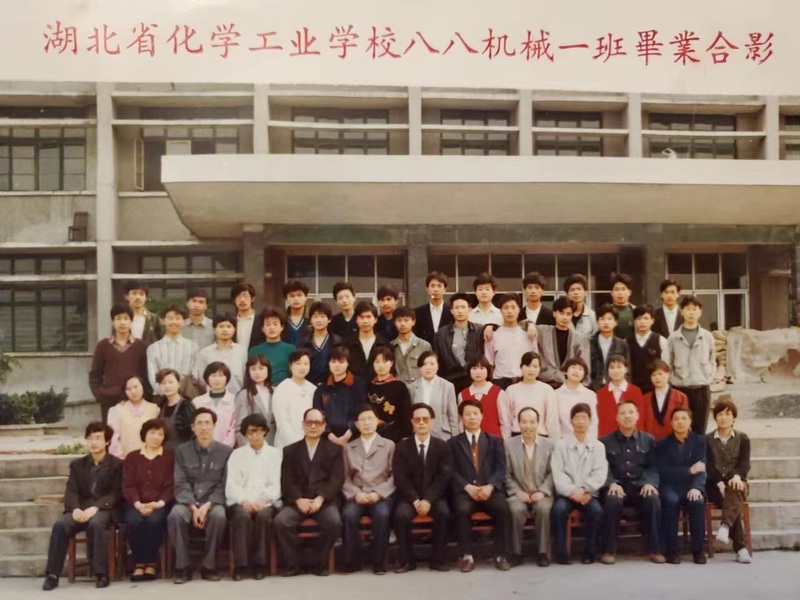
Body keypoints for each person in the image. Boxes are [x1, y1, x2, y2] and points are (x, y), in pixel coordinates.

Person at [41, 422, 122, 591]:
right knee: (60, 525)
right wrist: (75, 508)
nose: (94, 442)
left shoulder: (117, 465)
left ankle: (101, 573)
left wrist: (96, 507)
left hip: (104, 509)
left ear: (107, 441)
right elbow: (71, 490)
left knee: (96, 524)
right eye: (90, 438)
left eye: (98, 438)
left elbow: (116, 493)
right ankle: (52, 575)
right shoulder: (77, 465)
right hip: (81, 509)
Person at [274, 408, 344, 577]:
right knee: (281, 521)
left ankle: (318, 562)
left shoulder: (334, 449)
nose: (313, 426)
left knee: (334, 522)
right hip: (298, 501)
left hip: (323, 501)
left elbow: (337, 479)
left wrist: (321, 498)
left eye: (317, 423)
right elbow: (287, 480)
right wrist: (298, 499)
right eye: (309, 422)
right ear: (303, 425)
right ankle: (295, 563)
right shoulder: (290, 451)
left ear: (324, 426)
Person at [168, 408, 233, 583]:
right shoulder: (182, 451)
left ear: (214, 425)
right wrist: (193, 507)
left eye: (207, 423)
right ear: (193, 427)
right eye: (199, 423)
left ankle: (209, 566)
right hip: (187, 503)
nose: (204, 427)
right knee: (175, 515)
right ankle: (182, 567)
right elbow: (180, 482)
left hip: (212, 503)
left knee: (219, 516)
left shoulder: (226, 452)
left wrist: (207, 505)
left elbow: (224, 484)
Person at [449, 400, 512, 572]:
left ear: (482, 416)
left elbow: (501, 467)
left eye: (475, 413)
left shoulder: (494, 440)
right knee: (461, 510)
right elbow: (451, 470)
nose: (472, 417)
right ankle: (467, 556)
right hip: (465, 492)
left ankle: (501, 555)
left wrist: (490, 486)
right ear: (461, 418)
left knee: (503, 509)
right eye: (467, 414)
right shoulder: (453, 443)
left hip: (489, 490)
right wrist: (467, 487)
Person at [598, 401, 664, 565]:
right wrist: (611, 483)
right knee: (612, 499)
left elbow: (653, 466)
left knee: (653, 499)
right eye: (622, 413)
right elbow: (601, 467)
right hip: (617, 486)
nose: (627, 416)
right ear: (616, 417)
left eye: (631, 412)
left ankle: (655, 549)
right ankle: (609, 550)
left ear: (637, 416)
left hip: (639, 486)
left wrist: (649, 482)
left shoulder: (648, 440)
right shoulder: (605, 441)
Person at [392, 403, 453, 573]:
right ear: (412, 421)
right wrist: (415, 500)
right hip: (410, 497)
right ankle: (407, 560)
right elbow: (400, 478)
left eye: (425, 419)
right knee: (401, 515)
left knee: (443, 512)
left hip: (434, 497)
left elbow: (443, 477)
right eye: (417, 419)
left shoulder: (442, 446)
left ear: (432, 421)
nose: (421, 423)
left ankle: (438, 560)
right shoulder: (402, 447)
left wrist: (428, 499)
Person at [226, 413, 283, 580]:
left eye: (257, 431)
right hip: (241, 501)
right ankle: (241, 565)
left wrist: (263, 500)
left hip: (266, 502)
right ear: (245, 434)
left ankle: (260, 565)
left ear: (265, 431)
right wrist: (244, 501)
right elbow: (232, 484)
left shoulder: (276, 454)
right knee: (241, 517)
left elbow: (276, 483)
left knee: (264, 517)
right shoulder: (236, 455)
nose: (254, 435)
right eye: (249, 432)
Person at [551, 403, 608, 565]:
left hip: (588, 493)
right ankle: (561, 554)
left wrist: (584, 489)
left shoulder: (598, 446)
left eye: (584, 417)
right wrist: (572, 492)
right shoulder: (561, 445)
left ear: (590, 420)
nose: (581, 421)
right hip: (567, 493)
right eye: (577, 417)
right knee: (558, 510)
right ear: (571, 421)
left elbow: (600, 473)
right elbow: (558, 472)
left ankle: (589, 553)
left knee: (596, 511)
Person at [342, 405, 396, 574]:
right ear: (356, 424)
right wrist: (355, 494)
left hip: (380, 495)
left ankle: (379, 562)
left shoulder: (389, 445)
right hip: (357, 494)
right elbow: (344, 477)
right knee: (348, 515)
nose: (366, 423)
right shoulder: (349, 447)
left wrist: (378, 493)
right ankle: (352, 561)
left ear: (377, 421)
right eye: (362, 420)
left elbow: (394, 476)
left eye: (370, 418)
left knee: (382, 515)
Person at [122, 419, 175, 581]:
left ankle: (151, 563)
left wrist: (159, 503)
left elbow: (172, 485)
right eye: (152, 432)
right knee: (134, 521)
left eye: (160, 434)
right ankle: (139, 562)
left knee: (154, 521)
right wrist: (138, 504)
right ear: (144, 434)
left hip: (160, 504)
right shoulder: (132, 457)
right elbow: (128, 485)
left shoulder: (170, 457)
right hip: (135, 504)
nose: (156, 437)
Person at [504, 406, 555, 567]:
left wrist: (543, 491)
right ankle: (516, 553)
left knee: (543, 509)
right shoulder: (509, 444)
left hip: (541, 491)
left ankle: (543, 553)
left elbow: (553, 473)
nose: (528, 426)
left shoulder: (549, 444)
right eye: (524, 422)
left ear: (538, 424)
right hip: (519, 492)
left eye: (532, 422)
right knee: (515, 510)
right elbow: (506, 474)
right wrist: (517, 492)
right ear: (518, 424)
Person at [656, 407, 707, 565]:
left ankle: (698, 550)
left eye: (684, 418)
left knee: (697, 501)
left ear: (690, 421)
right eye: (676, 419)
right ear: (671, 423)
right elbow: (664, 471)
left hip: (692, 485)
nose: (680, 422)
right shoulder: (663, 444)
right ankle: (671, 550)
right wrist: (689, 470)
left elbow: (703, 468)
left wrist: (697, 487)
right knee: (670, 501)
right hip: (670, 486)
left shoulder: (700, 441)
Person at [706, 398, 752, 564]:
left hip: (737, 482)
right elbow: (708, 466)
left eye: (728, 414)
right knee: (731, 502)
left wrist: (737, 476)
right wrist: (719, 482)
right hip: (714, 485)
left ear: (734, 418)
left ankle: (725, 526)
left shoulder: (743, 438)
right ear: (715, 418)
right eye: (720, 414)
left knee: (734, 489)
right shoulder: (707, 439)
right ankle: (740, 548)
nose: (724, 417)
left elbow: (744, 463)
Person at [89, 304, 149, 423]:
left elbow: (145, 374)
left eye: (126, 318)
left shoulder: (142, 346)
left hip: (134, 398)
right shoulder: (103, 346)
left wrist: (143, 395)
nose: (122, 323)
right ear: (113, 322)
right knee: (111, 431)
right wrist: (99, 393)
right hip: (109, 399)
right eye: (118, 319)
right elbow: (95, 373)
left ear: (131, 321)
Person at [668, 295, 716, 434]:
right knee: (679, 428)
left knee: (699, 430)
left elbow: (713, 361)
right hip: (680, 389)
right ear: (682, 311)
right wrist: (673, 381)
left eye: (695, 309)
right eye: (688, 309)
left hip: (701, 389)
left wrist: (708, 377)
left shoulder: (707, 337)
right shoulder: (673, 338)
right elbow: (668, 363)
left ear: (700, 312)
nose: (691, 312)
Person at [433, 292, 485, 394]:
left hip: (473, 380)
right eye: (457, 308)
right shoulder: (441, 334)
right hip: (450, 380)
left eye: (463, 307)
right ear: (452, 311)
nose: (460, 311)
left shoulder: (479, 331)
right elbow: (436, 359)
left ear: (469, 309)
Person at [483, 293, 538, 390]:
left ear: (519, 309)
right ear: (500, 310)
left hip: (523, 380)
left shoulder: (528, 334)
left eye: (513, 307)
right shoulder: (493, 335)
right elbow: (489, 363)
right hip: (500, 382)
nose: (509, 311)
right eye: (506, 308)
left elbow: (535, 359)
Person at [313, 346, 365, 446]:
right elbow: (318, 415)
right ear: (328, 363)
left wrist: (348, 434)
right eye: (333, 362)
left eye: (341, 362)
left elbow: (361, 411)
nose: (337, 365)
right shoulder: (321, 390)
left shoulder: (358, 385)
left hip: (354, 438)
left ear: (348, 363)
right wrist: (331, 436)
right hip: (328, 440)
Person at [533, 297, 590, 388]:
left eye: (568, 314)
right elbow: (521, 325)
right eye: (561, 313)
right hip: (545, 383)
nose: (565, 317)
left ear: (572, 315)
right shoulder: (543, 331)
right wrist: (529, 325)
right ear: (554, 313)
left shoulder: (578, 338)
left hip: (569, 384)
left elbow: (584, 365)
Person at [505, 352, 560, 440]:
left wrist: (555, 441)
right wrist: (506, 440)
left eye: (535, 366)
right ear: (521, 367)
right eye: (527, 366)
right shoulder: (511, 390)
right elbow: (507, 419)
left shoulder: (547, 390)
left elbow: (552, 418)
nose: (531, 370)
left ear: (539, 369)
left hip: (540, 436)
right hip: (517, 436)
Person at [407, 351, 459, 440]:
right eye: (424, 364)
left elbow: (453, 416)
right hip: (419, 435)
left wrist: (455, 438)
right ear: (419, 367)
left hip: (442, 435)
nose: (428, 367)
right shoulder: (411, 387)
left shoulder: (447, 386)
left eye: (432, 364)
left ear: (437, 366)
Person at [457, 357, 512, 440]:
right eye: (474, 368)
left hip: (494, 441)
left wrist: (504, 441)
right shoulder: (463, 394)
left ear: (488, 370)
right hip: (471, 441)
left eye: (482, 368)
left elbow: (505, 422)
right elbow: (461, 423)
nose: (478, 372)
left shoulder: (498, 392)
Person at [146, 305, 198, 392]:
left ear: (184, 321)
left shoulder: (193, 347)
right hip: (162, 395)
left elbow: (195, 375)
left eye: (177, 318)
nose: (174, 322)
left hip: (187, 394)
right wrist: (164, 391)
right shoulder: (153, 348)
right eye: (170, 318)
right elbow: (152, 376)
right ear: (163, 321)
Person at [272, 349, 317, 448]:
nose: (302, 367)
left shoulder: (313, 389)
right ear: (290, 365)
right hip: (287, 443)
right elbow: (282, 421)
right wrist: (295, 445)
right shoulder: (282, 389)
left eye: (306, 363)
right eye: (298, 363)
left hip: (310, 442)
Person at [367, 346, 413, 442]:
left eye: (385, 361)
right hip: (370, 434)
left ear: (391, 363)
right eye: (377, 361)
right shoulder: (368, 386)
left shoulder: (399, 386)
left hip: (393, 435)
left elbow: (405, 414)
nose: (381, 365)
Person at [108, 375, 160, 458]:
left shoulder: (154, 409)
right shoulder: (116, 410)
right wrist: (120, 457)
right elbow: (114, 437)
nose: (133, 391)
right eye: (128, 389)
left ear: (143, 387)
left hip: (150, 458)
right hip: (125, 458)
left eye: (136, 387)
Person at [194, 313, 248, 394]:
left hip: (237, 397)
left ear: (234, 330)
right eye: (221, 326)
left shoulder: (241, 351)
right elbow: (202, 380)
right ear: (214, 330)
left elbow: (245, 377)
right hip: (212, 397)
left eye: (229, 327)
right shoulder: (205, 352)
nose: (225, 330)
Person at [639, 360, 689, 440]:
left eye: (660, 374)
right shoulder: (645, 399)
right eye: (653, 375)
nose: (657, 378)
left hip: (673, 440)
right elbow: (641, 422)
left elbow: (684, 421)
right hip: (651, 441)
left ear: (668, 374)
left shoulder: (680, 397)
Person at [595, 354, 643, 437]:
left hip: (630, 437)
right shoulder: (600, 393)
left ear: (626, 369)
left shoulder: (635, 391)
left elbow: (639, 418)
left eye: (619, 367)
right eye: (612, 367)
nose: (615, 371)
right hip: (606, 437)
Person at [192, 362, 237, 447]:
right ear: (207, 378)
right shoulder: (197, 402)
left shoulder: (234, 401)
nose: (217, 379)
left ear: (227, 378)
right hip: (202, 448)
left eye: (221, 375)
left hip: (227, 448)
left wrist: (223, 448)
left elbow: (234, 428)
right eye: (213, 375)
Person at [298, 301, 342, 386]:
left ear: (329, 319)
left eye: (322, 317)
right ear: (310, 319)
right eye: (315, 317)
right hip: (308, 385)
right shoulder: (304, 342)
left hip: (331, 385)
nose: (319, 320)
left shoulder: (336, 341)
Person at [627, 304, 669, 396]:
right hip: (633, 388)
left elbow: (665, 367)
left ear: (652, 320)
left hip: (655, 389)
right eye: (639, 318)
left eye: (646, 318)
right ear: (634, 321)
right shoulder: (626, 342)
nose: (642, 322)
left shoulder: (661, 340)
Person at [234, 355, 274, 447]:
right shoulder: (244, 394)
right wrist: (248, 448)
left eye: (261, 368)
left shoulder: (275, 391)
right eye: (253, 369)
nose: (257, 372)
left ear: (268, 370)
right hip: (252, 445)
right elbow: (239, 427)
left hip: (274, 444)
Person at [343, 301, 390, 379]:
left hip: (378, 384)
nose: (365, 321)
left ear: (375, 319)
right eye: (361, 317)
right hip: (354, 385)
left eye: (368, 317)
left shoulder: (385, 344)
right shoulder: (347, 344)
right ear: (356, 320)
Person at [249, 308, 295, 386]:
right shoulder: (254, 351)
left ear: (282, 327)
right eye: (268, 324)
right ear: (262, 328)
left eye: (275, 324)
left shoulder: (291, 349)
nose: (272, 328)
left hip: (284, 389)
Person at [554, 358, 598, 439]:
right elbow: (554, 423)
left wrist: (590, 441)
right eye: (573, 367)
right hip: (563, 441)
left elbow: (594, 422)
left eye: (580, 369)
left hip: (585, 441)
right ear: (566, 371)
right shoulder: (555, 394)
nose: (576, 371)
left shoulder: (590, 395)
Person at [589, 304, 630, 391]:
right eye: (602, 319)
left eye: (609, 319)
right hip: (593, 387)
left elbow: (627, 369)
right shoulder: (589, 343)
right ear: (597, 322)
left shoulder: (622, 344)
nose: (606, 322)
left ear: (615, 322)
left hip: (616, 386)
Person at [390, 305, 432, 384]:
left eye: (406, 320)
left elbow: (430, 371)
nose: (402, 324)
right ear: (394, 322)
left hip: (419, 387)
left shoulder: (424, 346)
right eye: (399, 320)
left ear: (413, 322)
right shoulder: (390, 346)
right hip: (398, 388)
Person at [155, 368, 195, 449]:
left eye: (170, 382)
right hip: (163, 451)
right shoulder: (161, 405)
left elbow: (194, 432)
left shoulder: (186, 406)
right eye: (163, 383)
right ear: (159, 386)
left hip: (183, 450)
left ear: (178, 384)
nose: (167, 386)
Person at [414, 271, 453, 345]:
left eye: (439, 286)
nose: (436, 289)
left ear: (445, 289)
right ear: (427, 289)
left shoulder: (452, 311)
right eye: (432, 286)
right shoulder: (419, 312)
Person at [232, 281, 264, 349]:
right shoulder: (230, 321)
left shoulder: (261, 320)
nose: (242, 300)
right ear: (234, 300)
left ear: (252, 298)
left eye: (245, 296)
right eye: (238, 296)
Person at [281, 280, 311, 346]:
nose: (296, 299)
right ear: (286, 298)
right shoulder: (281, 320)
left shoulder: (312, 319)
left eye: (299, 295)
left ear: (306, 297)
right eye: (292, 296)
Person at [610, 273, 636, 340]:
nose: (620, 293)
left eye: (623, 289)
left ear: (629, 292)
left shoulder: (636, 311)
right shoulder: (607, 312)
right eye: (617, 289)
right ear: (611, 293)